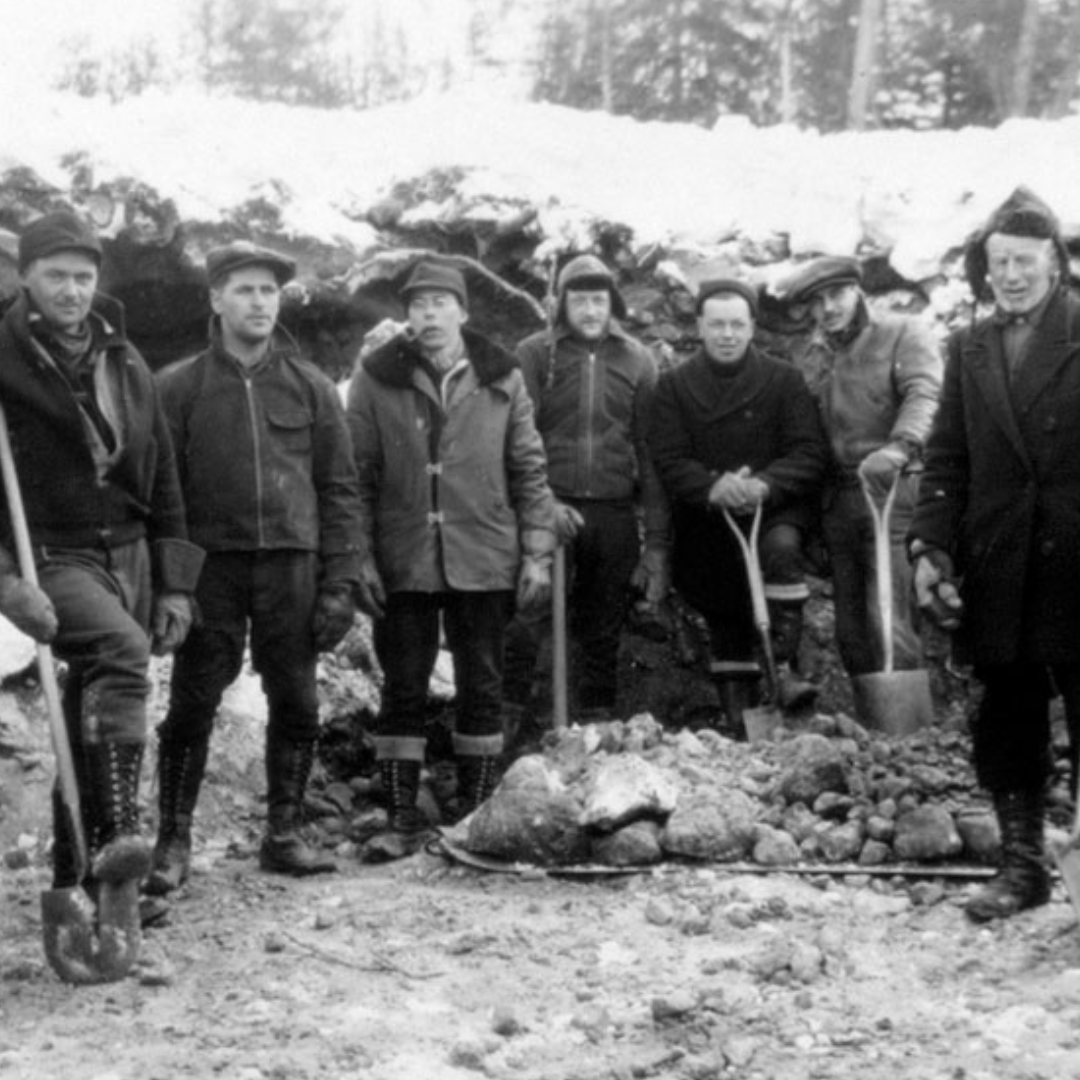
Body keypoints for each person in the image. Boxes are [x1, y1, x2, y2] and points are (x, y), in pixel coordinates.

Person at [0, 210, 202, 904]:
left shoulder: (123, 357)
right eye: (55, 275)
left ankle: (85, 884)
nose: (71, 291)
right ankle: (119, 830)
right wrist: (5, 584)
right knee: (120, 651)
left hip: (132, 554)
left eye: (83, 277)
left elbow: (164, 474)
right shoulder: (3, 356)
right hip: (53, 556)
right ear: (26, 276)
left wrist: (176, 584)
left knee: (91, 704)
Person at [148, 241, 363, 891]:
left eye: (269, 291)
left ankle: (285, 833)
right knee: (193, 702)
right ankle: (172, 841)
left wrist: (341, 580)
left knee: (296, 701)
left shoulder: (311, 388)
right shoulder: (177, 387)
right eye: (244, 290)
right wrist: (173, 582)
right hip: (210, 568)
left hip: (290, 569)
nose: (259, 302)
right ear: (216, 299)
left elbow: (340, 488)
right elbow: (162, 493)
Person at [909, 187, 1080, 922]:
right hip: (1003, 560)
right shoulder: (968, 346)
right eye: (997, 262)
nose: (1009, 275)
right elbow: (946, 458)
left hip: (1075, 558)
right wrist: (931, 547)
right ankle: (1024, 868)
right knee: (1007, 717)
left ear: (1056, 263)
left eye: (1024, 260)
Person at [346, 259, 555, 858]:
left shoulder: (502, 377)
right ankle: (400, 818)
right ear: (406, 316)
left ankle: (478, 815)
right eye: (417, 305)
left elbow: (529, 469)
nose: (429, 314)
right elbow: (356, 477)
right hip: (405, 557)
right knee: (404, 684)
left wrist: (536, 553)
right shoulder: (376, 377)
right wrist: (361, 556)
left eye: (441, 302)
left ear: (463, 311)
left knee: (481, 682)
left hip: (484, 553)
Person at [649, 279, 828, 735]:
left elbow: (808, 452)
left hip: (774, 509)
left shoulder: (783, 380)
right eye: (717, 325)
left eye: (736, 325)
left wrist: (764, 485)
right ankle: (742, 721)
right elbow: (668, 458)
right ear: (700, 328)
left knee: (782, 550)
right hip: (709, 517)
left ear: (751, 329)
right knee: (723, 600)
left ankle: (784, 666)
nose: (726, 334)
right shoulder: (675, 386)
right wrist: (713, 487)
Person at [505, 254, 670, 734]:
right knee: (526, 618)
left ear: (613, 304)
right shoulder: (535, 353)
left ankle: (595, 735)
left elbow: (650, 454)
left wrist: (657, 544)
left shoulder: (638, 360)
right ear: (562, 305)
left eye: (599, 300)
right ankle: (508, 737)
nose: (591, 310)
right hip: (548, 508)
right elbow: (518, 440)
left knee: (602, 628)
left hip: (613, 512)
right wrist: (541, 507)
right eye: (580, 300)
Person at [783, 256, 942, 680]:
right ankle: (872, 737)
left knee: (889, 619)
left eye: (836, 295)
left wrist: (900, 447)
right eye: (816, 302)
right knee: (850, 630)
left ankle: (910, 737)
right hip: (839, 500)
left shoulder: (901, 333)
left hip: (893, 489)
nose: (828, 308)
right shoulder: (812, 354)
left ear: (858, 291)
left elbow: (925, 393)